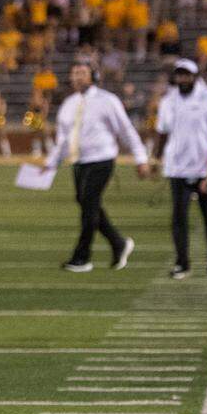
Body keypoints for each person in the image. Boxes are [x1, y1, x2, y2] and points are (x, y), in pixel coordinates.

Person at [44, 62, 147, 272]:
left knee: (89, 204)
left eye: (82, 73)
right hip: (79, 161)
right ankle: (119, 244)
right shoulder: (69, 103)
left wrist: (140, 158)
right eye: (74, 73)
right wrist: (51, 163)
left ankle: (82, 257)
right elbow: (63, 138)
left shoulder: (107, 100)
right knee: (86, 203)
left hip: (102, 159)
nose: (77, 77)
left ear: (94, 76)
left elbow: (125, 129)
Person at [143, 59, 207, 278]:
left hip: (206, 168)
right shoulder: (169, 101)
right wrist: (155, 160)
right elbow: (163, 132)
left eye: (186, 75)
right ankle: (182, 262)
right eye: (179, 74)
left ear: (196, 76)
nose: (182, 79)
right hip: (177, 168)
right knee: (179, 217)